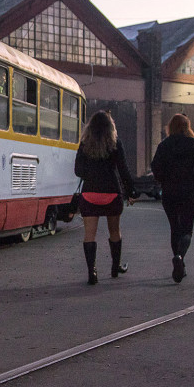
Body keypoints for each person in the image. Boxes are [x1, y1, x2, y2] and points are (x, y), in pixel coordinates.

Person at [74, 111, 136, 285]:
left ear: (90, 127)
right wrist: (131, 192)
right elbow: (124, 170)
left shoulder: (84, 144)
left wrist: (92, 174)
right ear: (111, 127)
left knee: (89, 235)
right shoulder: (115, 143)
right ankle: (115, 268)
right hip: (111, 193)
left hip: (90, 194)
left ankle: (92, 273)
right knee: (114, 231)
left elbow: (78, 170)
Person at [151, 113, 194, 283]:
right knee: (187, 229)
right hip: (187, 191)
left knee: (174, 227)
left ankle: (179, 261)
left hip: (169, 192)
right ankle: (179, 257)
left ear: (170, 127)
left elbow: (155, 166)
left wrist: (163, 180)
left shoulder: (164, 145)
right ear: (186, 126)